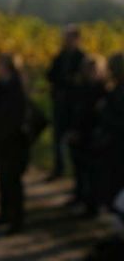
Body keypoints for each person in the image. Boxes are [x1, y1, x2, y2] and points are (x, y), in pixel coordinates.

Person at [0, 53, 28, 234]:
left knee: (13, 181)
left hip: (13, 141)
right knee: (3, 179)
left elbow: (15, 117)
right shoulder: (0, 85)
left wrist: (0, 136)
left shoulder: (17, 87)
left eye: (0, 64)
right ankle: (4, 213)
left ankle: (17, 220)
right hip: (0, 140)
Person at [65, 55, 107, 215]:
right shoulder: (80, 88)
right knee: (80, 170)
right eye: (88, 69)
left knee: (93, 173)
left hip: (92, 136)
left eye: (93, 69)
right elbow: (75, 111)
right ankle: (81, 196)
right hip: (80, 135)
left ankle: (92, 205)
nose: (90, 72)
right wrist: (72, 130)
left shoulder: (103, 90)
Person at [47, 24, 85, 180]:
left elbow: (80, 82)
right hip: (60, 103)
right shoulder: (60, 56)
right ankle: (59, 169)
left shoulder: (82, 58)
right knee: (57, 138)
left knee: (74, 140)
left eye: (69, 37)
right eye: (65, 38)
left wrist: (64, 81)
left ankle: (77, 174)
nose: (66, 40)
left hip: (74, 106)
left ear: (77, 39)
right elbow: (50, 75)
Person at [92, 53, 124, 209]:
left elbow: (118, 121)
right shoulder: (115, 90)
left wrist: (104, 111)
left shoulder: (118, 92)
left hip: (118, 147)